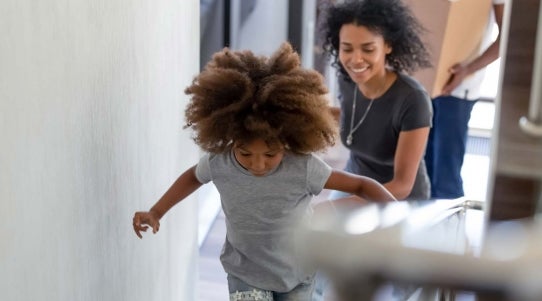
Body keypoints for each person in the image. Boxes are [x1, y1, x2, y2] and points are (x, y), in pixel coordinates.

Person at [132, 42, 396, 301]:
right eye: (245, 153)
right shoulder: (220, 163)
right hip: (245, 274)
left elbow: (362, 186)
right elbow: (192, 177)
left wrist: (404, 216)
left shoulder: (302, 166)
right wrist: (157, 211)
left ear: (287, 139)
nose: (258, 164)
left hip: (298, 273)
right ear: (229, 136)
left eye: (270, 154)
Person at [320, 0, 433, 201]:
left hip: (395, 198)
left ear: (388, 45)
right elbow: (356, 118)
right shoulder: (347, 80)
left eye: (368, 49)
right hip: (355, 182)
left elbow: (402, 185)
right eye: (347, 49)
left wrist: (342, 207)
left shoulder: (413, 99)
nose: (356, 60)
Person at [424, 0, 505, 199]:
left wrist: (468, 69)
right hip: (422, 82)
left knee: (445, 177)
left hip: (459, 90)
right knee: (420, 174)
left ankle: (451, 229)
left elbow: (506, 38)